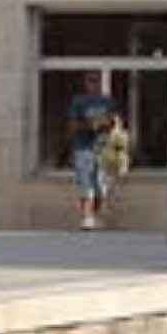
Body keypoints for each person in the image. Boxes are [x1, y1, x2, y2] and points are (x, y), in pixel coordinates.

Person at [68, 72, 119, 230]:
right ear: (85, 83)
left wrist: (108, 126)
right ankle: (86, 217)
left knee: (100, 187)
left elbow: (114, 122)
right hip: (83, 148)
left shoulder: (108, 102)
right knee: (85, 185)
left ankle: (94, 216)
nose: (93, 84)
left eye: (96, 80)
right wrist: (92, 125)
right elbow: (72, 125)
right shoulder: (79, 101)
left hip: (103, 148)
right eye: (90, 81)